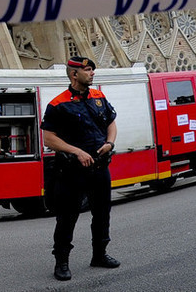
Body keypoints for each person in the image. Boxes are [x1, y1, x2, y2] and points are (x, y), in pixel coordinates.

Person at [41, 56, 119, 281]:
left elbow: (111, 122)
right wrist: (76, 151)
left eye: (93, 69)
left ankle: (100, 254)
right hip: (71, 171)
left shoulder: (99, 97)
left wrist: (110, 143)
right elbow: (49, 138)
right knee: (67, 217)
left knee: (102, 213)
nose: (92, 73)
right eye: (87, 70)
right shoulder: (58, 104)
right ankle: (62, 262)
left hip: (99, 167)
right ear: (74, 75)